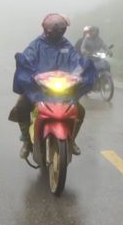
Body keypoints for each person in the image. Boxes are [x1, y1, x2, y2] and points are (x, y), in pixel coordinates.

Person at [9, 13, 95, 158]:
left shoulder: (66, 45)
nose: (56, 30)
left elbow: (76, 62)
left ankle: (72, 140)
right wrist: (32, 74)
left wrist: (80, 73)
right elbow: (27, 59)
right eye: (52, 27)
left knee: (80, 111)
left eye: (59, 27)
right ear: (45, 28)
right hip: (38, 88)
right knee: (22, 107)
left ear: (64, 29)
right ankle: (26, 141)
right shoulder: (37, 44)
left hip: (63, 89)